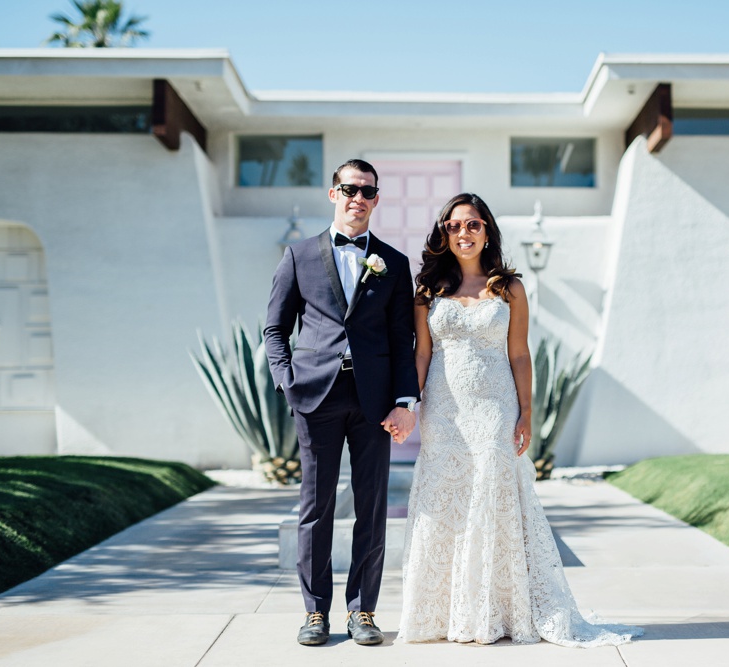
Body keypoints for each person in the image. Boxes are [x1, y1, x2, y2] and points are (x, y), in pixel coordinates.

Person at [398, 192, 643, 647]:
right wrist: (408, 405)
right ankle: (445, 614)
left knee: (491, 498)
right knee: (446, 501)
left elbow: (519, 352)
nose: (463, 233)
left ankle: (496, 611)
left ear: (487, 230)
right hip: (444, 412)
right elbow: (422, 354)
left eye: (472, 225)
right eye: (454, 226)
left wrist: (526, 412)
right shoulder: (427, 290)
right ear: (444, 233)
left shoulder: (508, 287)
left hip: (494, 407)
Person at [265, 159, 419, 647]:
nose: (358, 198)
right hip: (316, 396)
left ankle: (364, 611)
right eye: (349, 189)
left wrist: (403, 400)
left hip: (374, 402)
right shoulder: (298, 255)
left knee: (372, 507)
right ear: (333, 194)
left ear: (376, 200)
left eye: (368, 192)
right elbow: (275, 328)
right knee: (316, 508)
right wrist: (287, 381)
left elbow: (402, 337)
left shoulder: (394, 263)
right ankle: (315, 613)